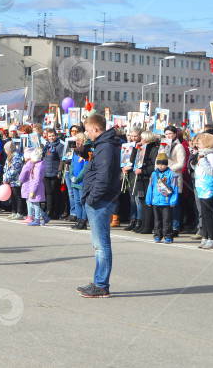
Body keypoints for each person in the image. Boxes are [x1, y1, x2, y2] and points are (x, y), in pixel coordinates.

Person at [77, 113, 122, 298]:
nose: (87, 134)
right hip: (100, 200)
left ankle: (102, 285)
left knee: (102, 245)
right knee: (98, 245)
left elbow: (103, 178)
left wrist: (91, 198)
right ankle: (98, 281)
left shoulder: (106, 147)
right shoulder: (103, 145)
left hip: (101, 201)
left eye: (87, 130)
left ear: (95, 128)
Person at [193, 133, 213, 250]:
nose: (197, 144)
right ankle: (205, 236)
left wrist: (202, 160)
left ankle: (211, 238)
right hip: (201, 187)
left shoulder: (211, 155)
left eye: (199, 142)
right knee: (203, 214)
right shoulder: (201, 154)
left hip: (209, 188)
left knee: (208, 214)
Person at [145, 152, 179, 244]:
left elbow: (175, 189)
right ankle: (157, 236)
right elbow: (150, 187)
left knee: (167, 220)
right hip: (156, 201)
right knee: (157, 220)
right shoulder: (154, 174)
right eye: (159, 164)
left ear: (166, 164)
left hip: (166, 201)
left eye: (163, 164)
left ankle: (168, 236)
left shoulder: (171, 175)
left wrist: (173, 201)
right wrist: (148, 200)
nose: (160, 166)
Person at [19, 147, 49, 226]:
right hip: (35, 187)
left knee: (35, 204)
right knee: (33, 203)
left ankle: (37, 219)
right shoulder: (36, 166)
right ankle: (44, 216)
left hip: (36, 188)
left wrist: (32, 191)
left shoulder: (37, 168)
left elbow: (36, 181)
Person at [42, 128, 63, 219]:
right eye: (49, 136)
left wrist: (59, 171)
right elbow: (43, 157)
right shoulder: (46, 146)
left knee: (56, 193)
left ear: (56, 135)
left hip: (55, 173)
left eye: (53, 136)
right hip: (46, 172)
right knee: (48, 193)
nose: (51, 138)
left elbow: (62, 159)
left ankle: (56, 211)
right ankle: (49, 210)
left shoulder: (60, 146)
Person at [2, 141, 25, 220]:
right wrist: (5, 178)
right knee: (12, 197)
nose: (5, 151)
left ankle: (20, 212)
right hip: (10, 181)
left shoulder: (16, 158)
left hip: (16, 181)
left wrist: (7, 178)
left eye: (6, 150)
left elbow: (14, 170)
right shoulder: (9, 157)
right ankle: (14, 211)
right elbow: (5, 168)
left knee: (18, 197)